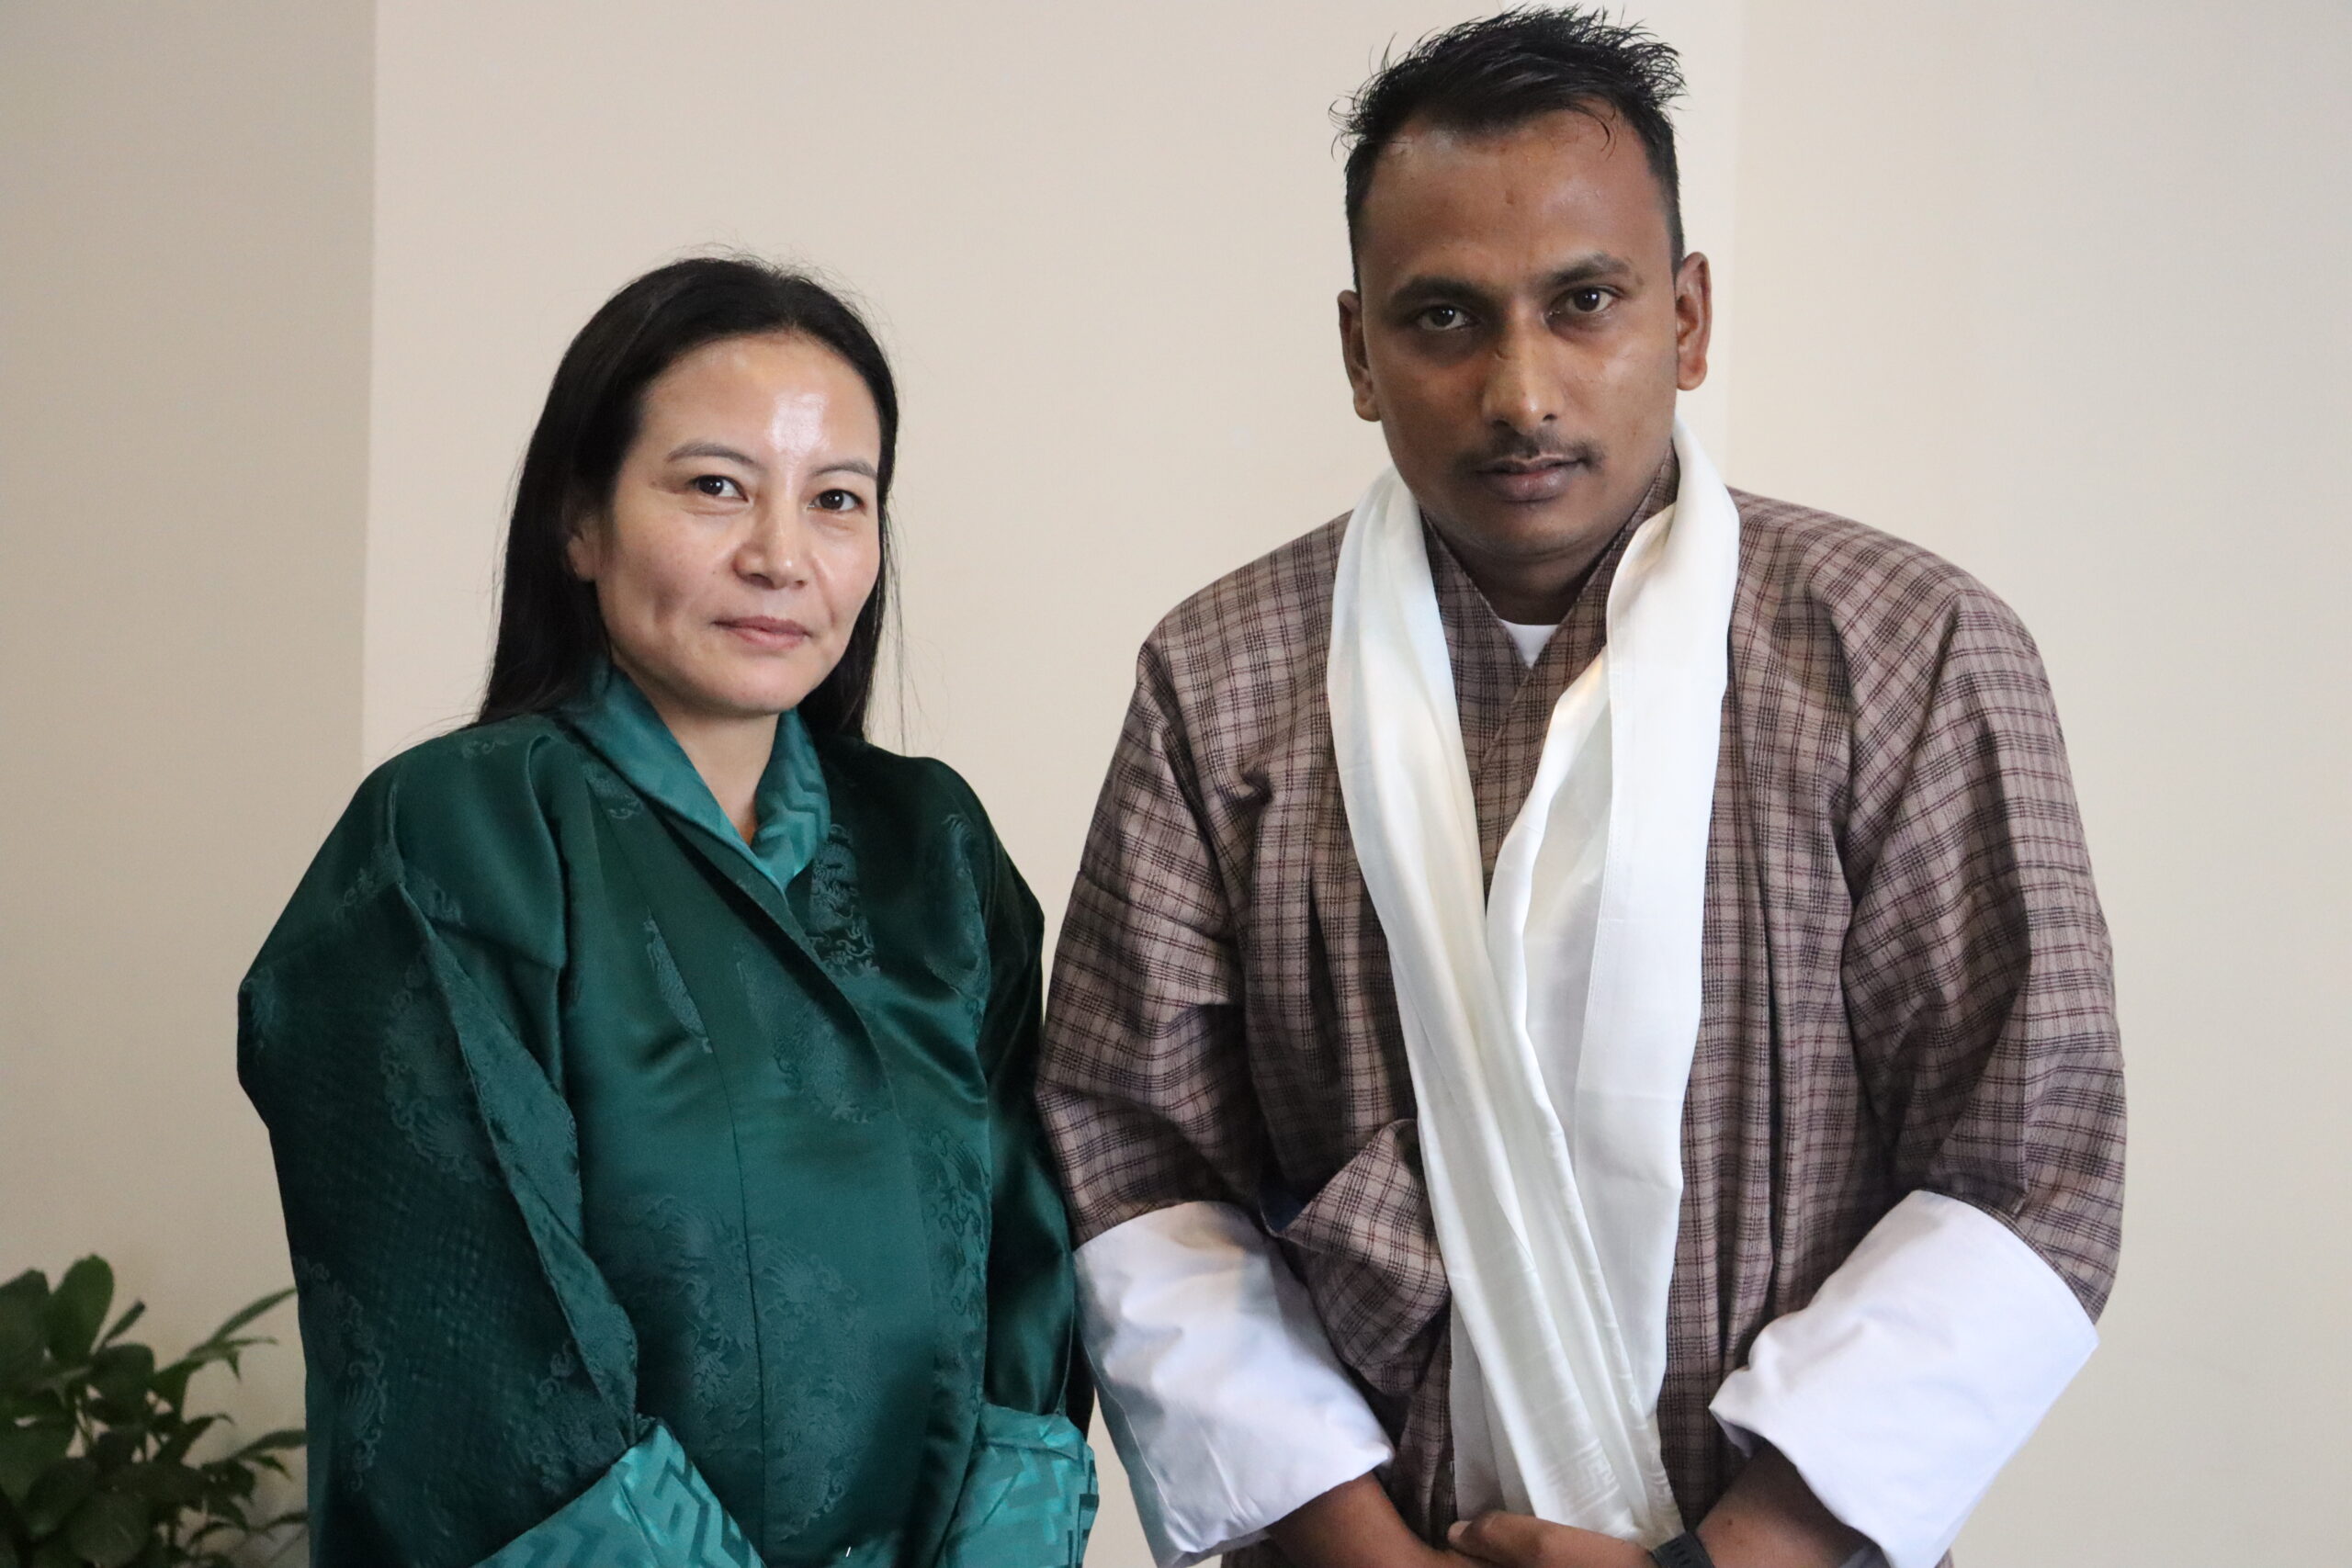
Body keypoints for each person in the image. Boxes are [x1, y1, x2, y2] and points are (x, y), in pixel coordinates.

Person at [1039, 12, 2123, 1568]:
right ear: (1358, 352)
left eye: (1586, 302)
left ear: (1687, 318)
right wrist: (1362, 1555)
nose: (1522, 390)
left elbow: (2031, 1162)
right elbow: (1137, 1162)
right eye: (1444, 318)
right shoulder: (1220, 686)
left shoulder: (1907, 653)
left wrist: (1731, 1558)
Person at [240, 257, 1093, 1568]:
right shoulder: (460, 833)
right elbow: (476, 1344)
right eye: (714, 487)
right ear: (579, 522)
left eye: (837, 500)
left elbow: (1032, 1264)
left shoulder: (934, 847)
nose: (780, 557)